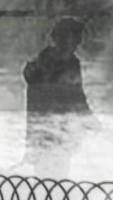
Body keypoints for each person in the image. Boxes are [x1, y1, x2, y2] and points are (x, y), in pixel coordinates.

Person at [23, 17, 98, 179]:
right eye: (75, 39)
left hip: (42, 132)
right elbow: (75, 95)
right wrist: (89, 119)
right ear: (63, 39)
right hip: (55, 132)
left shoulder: (43, 61)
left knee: (45, 179)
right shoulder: (68, 63)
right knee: (55, 177)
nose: (77, 44)